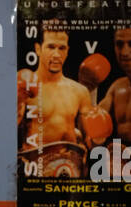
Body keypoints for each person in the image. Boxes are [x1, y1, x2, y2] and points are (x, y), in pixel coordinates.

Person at [17, 24, 91, 166]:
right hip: (35, 169)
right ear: (38, 49)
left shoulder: (80, 91)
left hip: (70, 169)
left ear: (68, 51)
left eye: (61, 48)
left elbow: (91, 141)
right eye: (51, 47)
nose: (57, 54)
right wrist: (18, 101)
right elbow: (4, 131)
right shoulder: (24, 83)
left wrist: (97, 137)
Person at [95, 28, 131, 145]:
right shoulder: (116, 87)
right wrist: (90, 88)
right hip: (122, 159)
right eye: (119, 44)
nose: (125, 52)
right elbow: (94, 128)